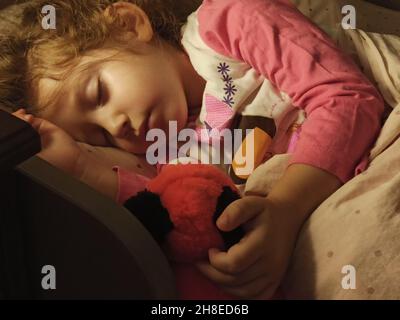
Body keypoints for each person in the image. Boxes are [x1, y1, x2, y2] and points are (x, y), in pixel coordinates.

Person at [3, 0, 384, 299]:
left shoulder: (226, 23)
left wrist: (284, 209)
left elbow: (347, 98)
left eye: (98, 93)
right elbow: (176, 217)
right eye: (99, 136)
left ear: (127, 24)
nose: (115, 126)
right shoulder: (174, 153)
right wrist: (80, 166)